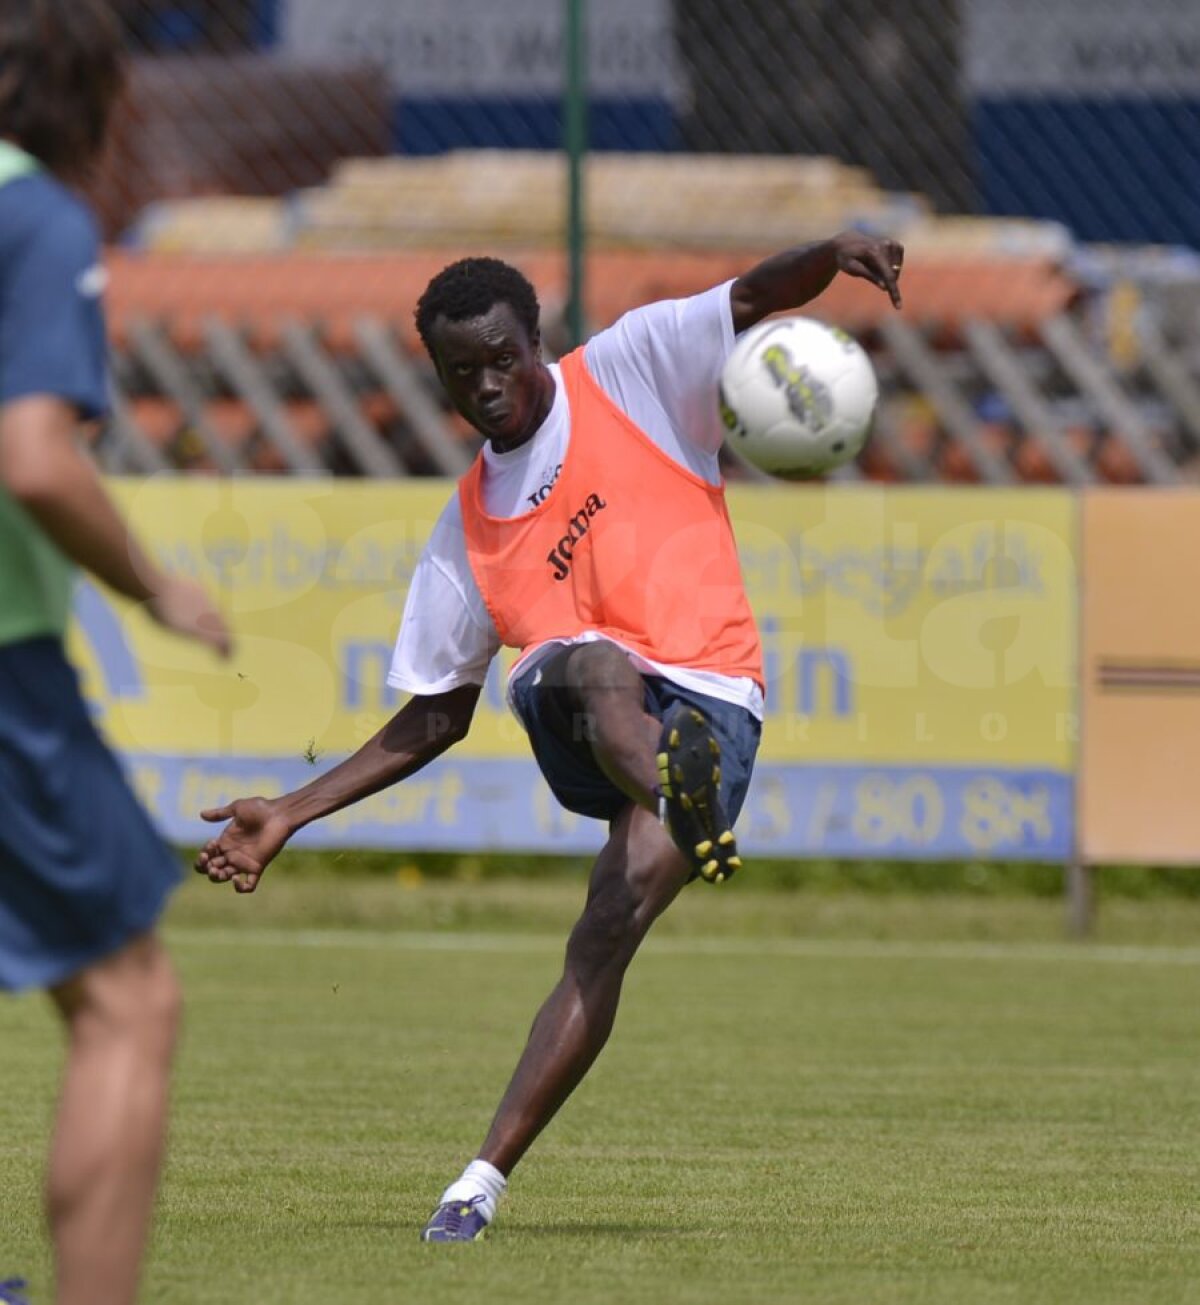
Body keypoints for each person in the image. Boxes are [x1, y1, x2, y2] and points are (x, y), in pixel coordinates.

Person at [195, 231, 903, 1241]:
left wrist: (832, 252)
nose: (485, 385)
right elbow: (439, 713)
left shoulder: (630, 368)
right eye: (459, 372)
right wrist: (292, 814)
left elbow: (751, 296)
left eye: (501, 358)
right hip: (596, 717)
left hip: (716, 702)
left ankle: (477, 1182)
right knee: (581, 659)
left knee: (602, 937)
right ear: (436, 376)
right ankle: (676, 793)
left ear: (538, 341)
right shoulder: (468, 531)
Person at [0, 3, 232, 1302]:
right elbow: (33, 455)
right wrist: (154, 586)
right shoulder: (30, 216)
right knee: (128, 1005)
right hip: (4, 659)